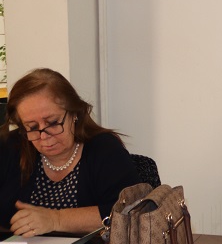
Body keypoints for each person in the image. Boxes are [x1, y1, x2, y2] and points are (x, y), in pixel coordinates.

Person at [0, 68, 139, 235]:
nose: (44, 136)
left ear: (74, 113)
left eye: (53, 123)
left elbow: (129, 213)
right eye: (32, 127)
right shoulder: (10, 146)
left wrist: (55, 219)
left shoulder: (105, 149)